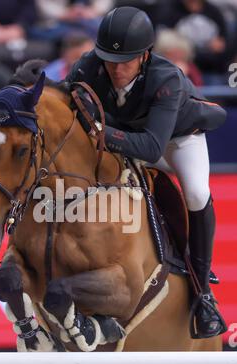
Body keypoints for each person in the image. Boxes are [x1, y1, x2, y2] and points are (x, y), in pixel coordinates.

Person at [65, 6, 227, 339]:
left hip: (176, 140)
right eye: (109, 60)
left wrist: (98, 132)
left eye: (125, 62)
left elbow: (153, 148)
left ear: (145, 56)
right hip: (125, 136)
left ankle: (203, 295)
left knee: (196, 192)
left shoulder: (166, 78)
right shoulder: (89, 66)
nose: (116, 69)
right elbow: (63, 99)